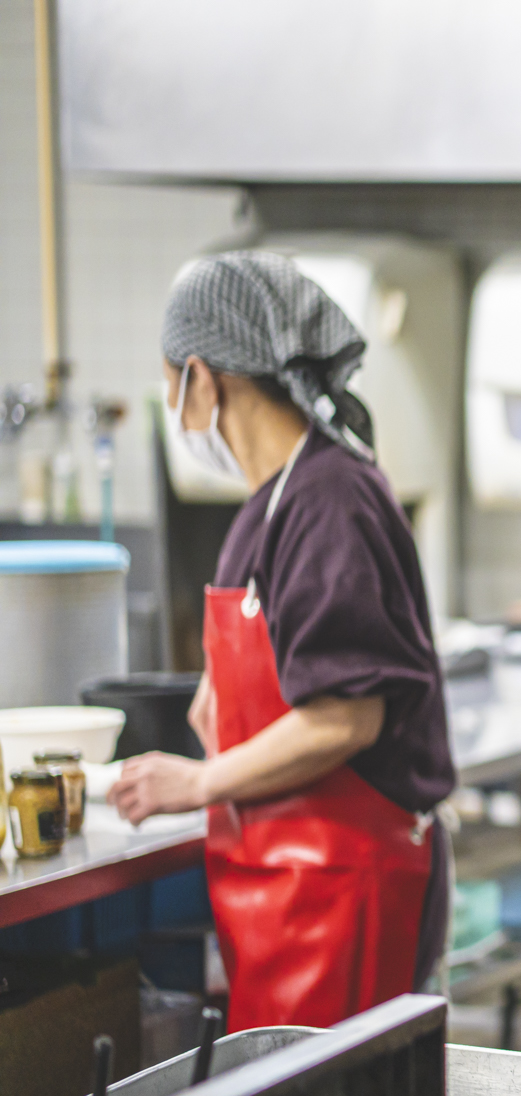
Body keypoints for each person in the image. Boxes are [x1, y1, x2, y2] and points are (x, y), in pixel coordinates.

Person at [109, 252, 456, 1032]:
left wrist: (194, 783)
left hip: (345, 885)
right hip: (282, 888)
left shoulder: (332, 499)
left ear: (204, 377)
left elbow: (345, 718)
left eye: (171, 385)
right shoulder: (269, 510)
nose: (174, 406)